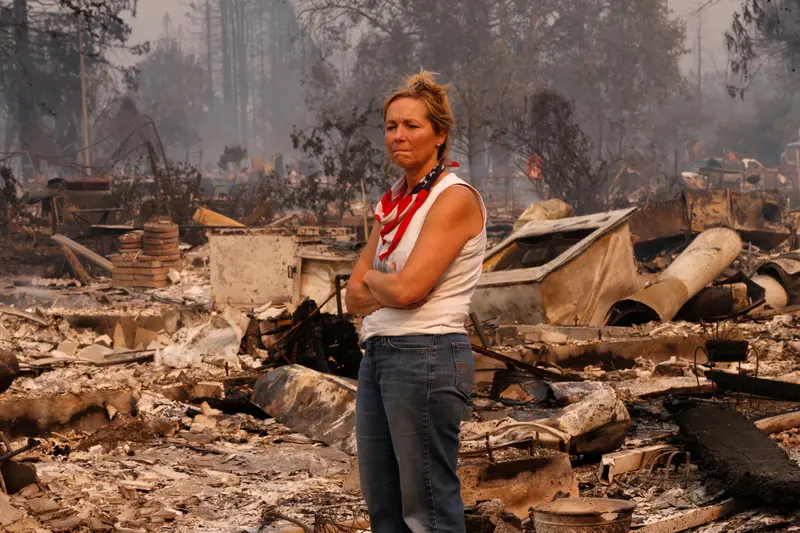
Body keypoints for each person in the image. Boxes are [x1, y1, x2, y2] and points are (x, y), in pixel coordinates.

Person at [345, 71, 487, 533]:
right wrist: (386, 281)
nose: (399, 135)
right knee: (384, 506)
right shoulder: (392, 204)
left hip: (427, 353)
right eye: (391, 126)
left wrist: (379, 281)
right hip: (380, 354)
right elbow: (352, 296)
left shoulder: (453, 198)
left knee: (427, 508)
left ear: (440, 134)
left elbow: (409, 291)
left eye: (412, 125)